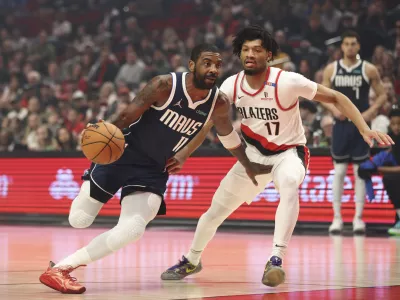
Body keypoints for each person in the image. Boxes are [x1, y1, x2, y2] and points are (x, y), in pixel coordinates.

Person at [160, 25, 393, 287]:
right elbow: (209, 123)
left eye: (257, 49)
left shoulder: (287, 81)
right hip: (252, 156)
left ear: (268, 55)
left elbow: (336, 97)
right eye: (245, 49)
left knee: (290, 185)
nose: (250, 54)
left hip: (288, 153)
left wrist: (364, 128)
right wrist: (185, 152)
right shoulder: (231, 85)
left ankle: (276, 259)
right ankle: (192, 259)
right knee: (214, 212)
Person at [39, 44, 271, 294]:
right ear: (192, 65)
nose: (213, 69)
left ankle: (61, 269)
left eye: (217, 65)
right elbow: (128, 115)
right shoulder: (165, 85)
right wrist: (101, 133)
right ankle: (82, 203)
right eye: (207, 63)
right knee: (80, 220)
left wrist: (248, 165)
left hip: (154, 168)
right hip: (122, 153)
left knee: (133, 229)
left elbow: (228, 136)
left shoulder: (219, 103)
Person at [321, 31, 387, 234]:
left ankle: (358, 218)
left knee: (360, 173)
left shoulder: (369, 69)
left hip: (361, 126)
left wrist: (368, 113)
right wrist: (334, 111)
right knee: (339, 172)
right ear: (342, 47)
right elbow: (322, 95)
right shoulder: (332, 69)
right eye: (347, 43)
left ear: (358, 47)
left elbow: (383, 95)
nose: (350, 47)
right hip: (341, 126)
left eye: (353, 44)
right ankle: (337, 218)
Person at [358, 108, 400, 235]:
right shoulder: (393, 140)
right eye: (393, 124)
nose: (396, 127)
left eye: (399, 124)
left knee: (390, 178)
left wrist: (378, 169)